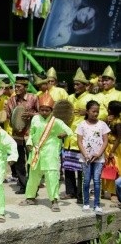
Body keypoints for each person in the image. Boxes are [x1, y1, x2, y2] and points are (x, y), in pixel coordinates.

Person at [19, 93, 73, 212]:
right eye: (42, 110)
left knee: (51, 176)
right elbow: (31, 133)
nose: (44, 112)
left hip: (50, 152)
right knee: (33, 176)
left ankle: (54, 201)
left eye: (46, 110)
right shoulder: (35, 119)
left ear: (51, 110)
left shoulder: (56, 121)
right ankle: (30, 197)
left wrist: (64, 134)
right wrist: (29, 143)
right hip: (36, 152)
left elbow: (70, 131)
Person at [62, 68, 93, 204]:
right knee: (68, 167)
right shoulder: (69, 97)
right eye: (74, 84)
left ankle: (81, 194)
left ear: (85, 85)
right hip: (69, 138)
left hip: (82, 139)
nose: (75, 87)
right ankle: (70, 192)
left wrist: (86, 112)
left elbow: (101, 114)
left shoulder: (91, 98)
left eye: (78, 84)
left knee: (82, 169)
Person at [6, 77, 39, 194]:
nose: (16, 89)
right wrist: (15, 124)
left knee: (31, 160)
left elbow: (42, 113)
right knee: (19, 161)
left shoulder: (33, 98)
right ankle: (23, 185)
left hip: (30, 134)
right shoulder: (11, 100)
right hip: (17, 135)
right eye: (15, 87)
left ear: (26, 87)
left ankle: (32, 185)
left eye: (19, 87)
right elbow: (8, 116)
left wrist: (32, 114)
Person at [76, 100, 110, 214]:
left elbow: (105, 140)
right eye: (93, 111)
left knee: (96, 180)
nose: (95, 114)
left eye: (97, 111)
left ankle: (97, 205)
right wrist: (85, 155)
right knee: (86, 181)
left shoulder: (102, 124)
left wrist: (99, 153)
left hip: (98, 158)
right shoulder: (82, 124)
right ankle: (86, 203)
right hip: (86, 158)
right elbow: (79, 142)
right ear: (87, 111)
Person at [103, 101, 121, 202]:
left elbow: (118, 139)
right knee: (106, 167)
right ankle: (105, 189)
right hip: (108, 146)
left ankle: (114, 192)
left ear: (110, 110)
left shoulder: (118, 123)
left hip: (115, 147)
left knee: (116, 168)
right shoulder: (110, 120)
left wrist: (112, 151)